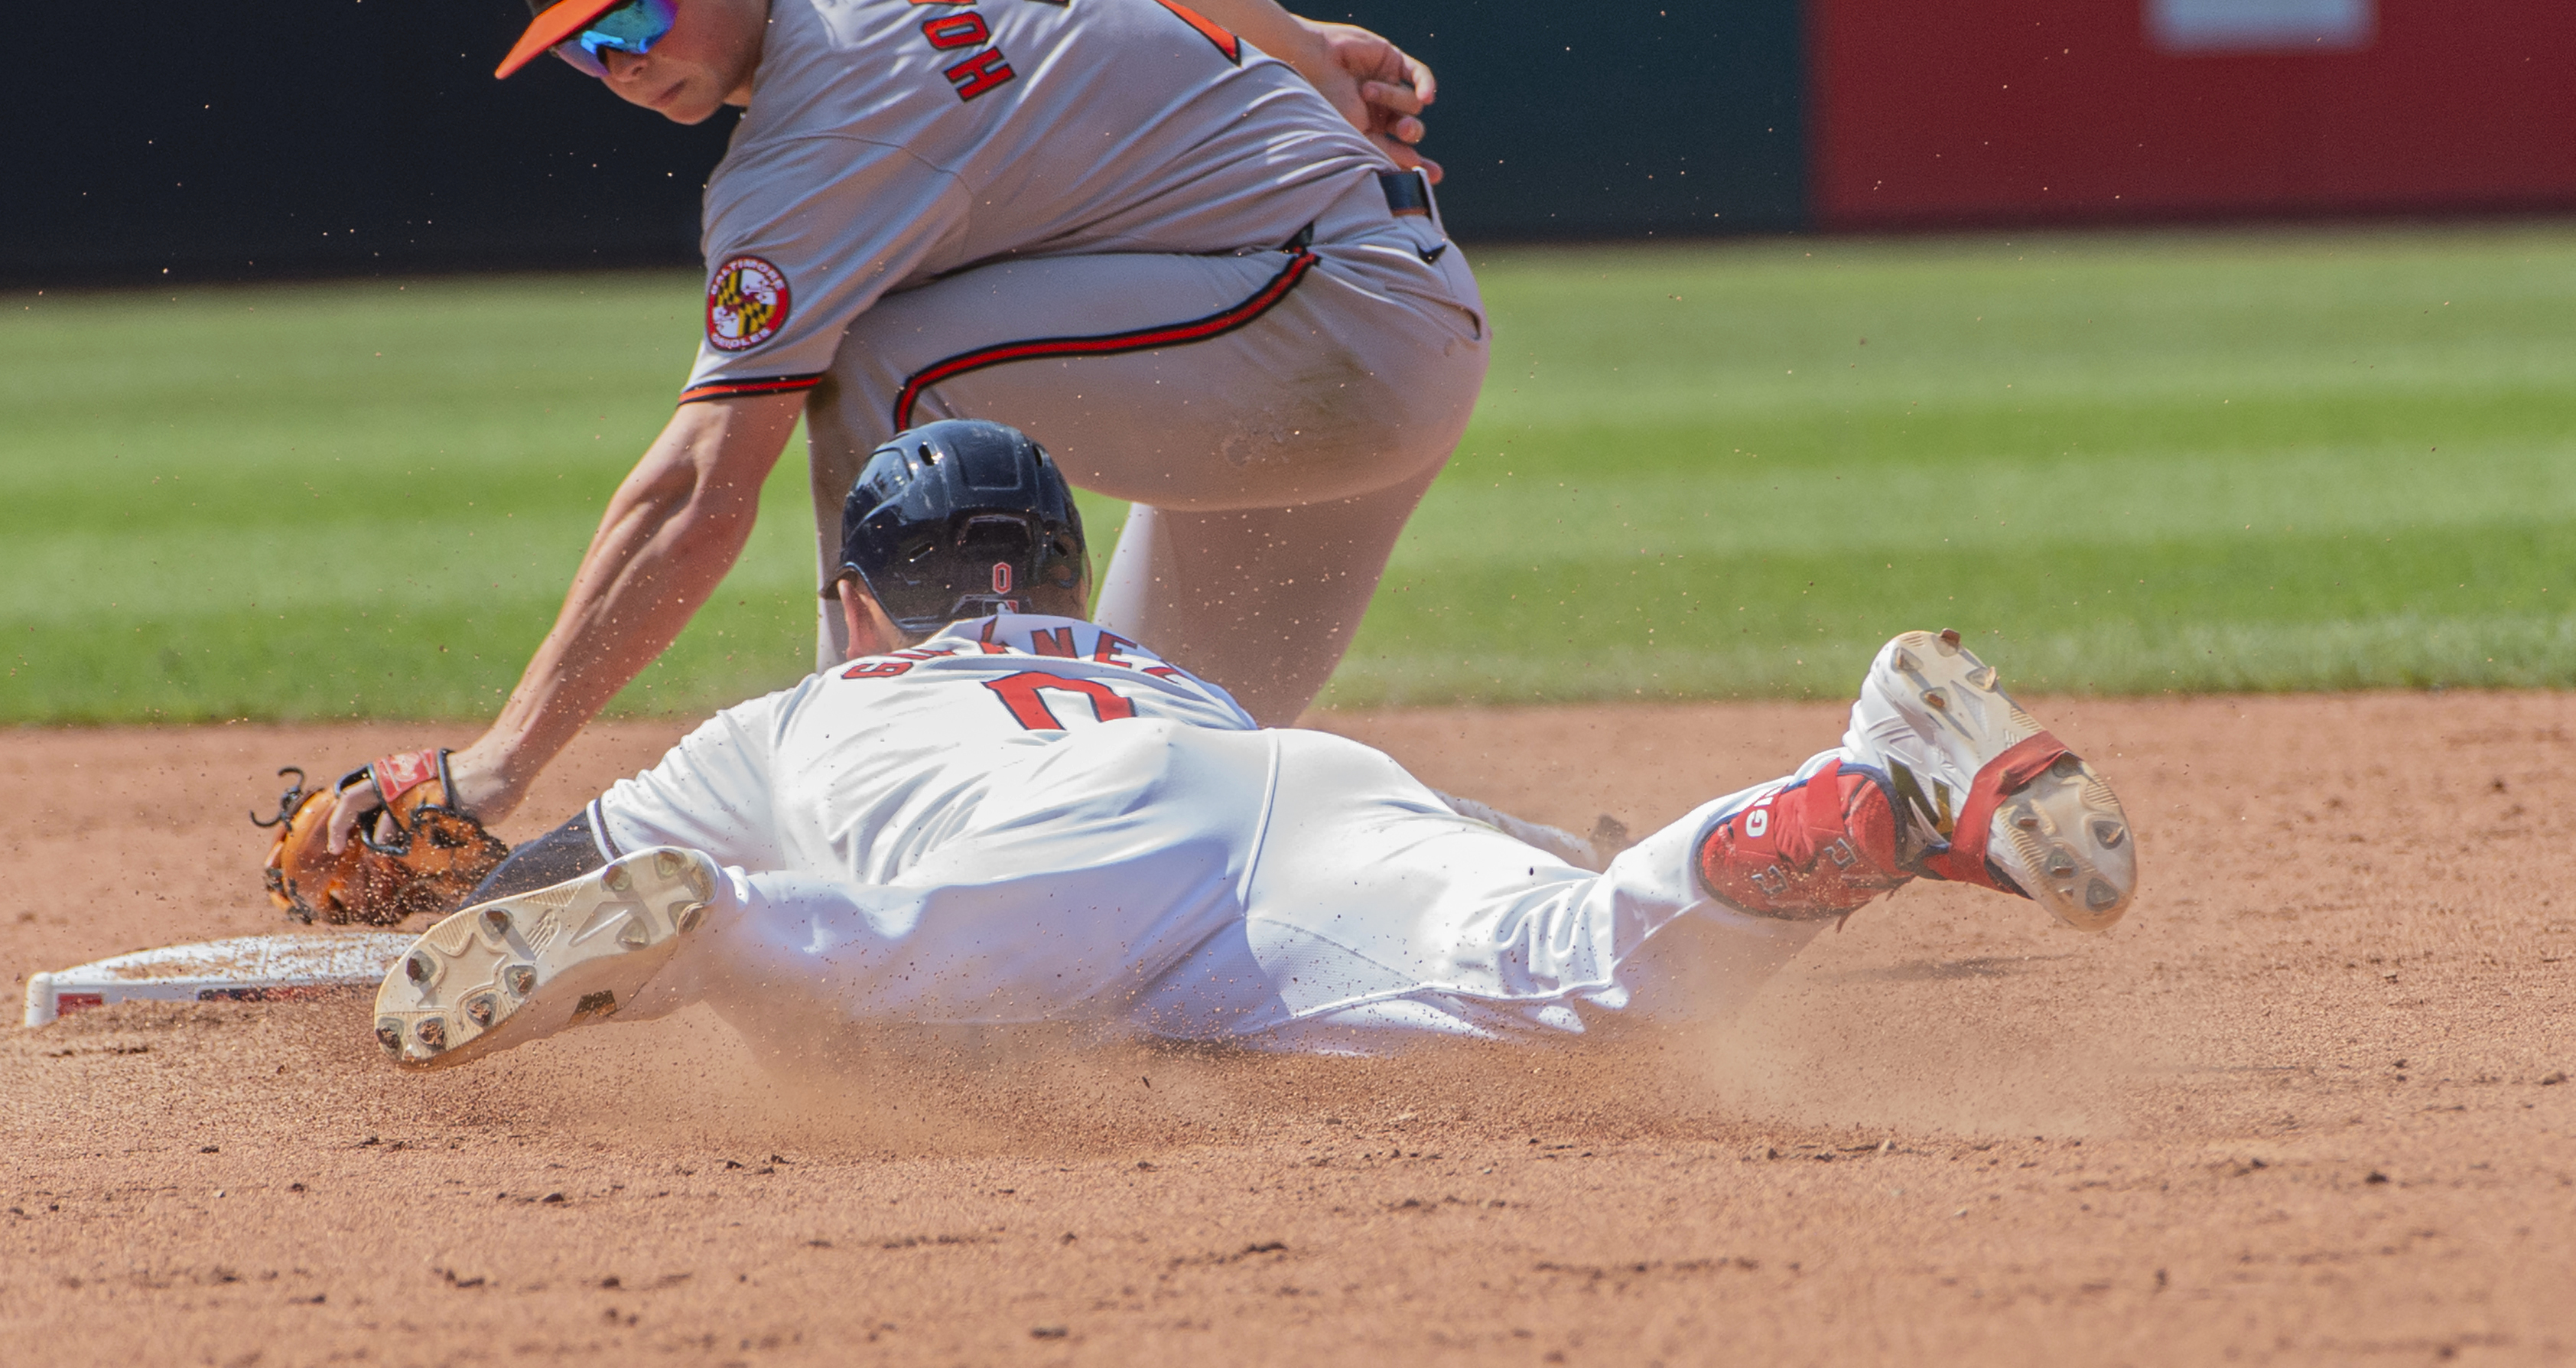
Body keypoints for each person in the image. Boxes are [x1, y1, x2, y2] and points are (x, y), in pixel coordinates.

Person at [327, 0, 1485, 857]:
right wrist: (1300, 52)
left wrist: (500, 762)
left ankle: (865, 770)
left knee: (884, 358)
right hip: (1341, 331)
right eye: (585, 46)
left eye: (640, 7)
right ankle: (1538, 875)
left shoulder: (811, 141)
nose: (623, 62)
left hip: (1328, 321)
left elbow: (695, 495)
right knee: (1155, 794)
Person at [371, 422, 2138, 1070]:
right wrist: (1549, 839)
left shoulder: (811, 707)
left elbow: (553, 871)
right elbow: (1425, 810)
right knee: (1594, 964)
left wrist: (439, 904)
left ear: (859, 603)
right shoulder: (1156, 670)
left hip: (1059, 868)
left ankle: (727, 930)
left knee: (855, 997)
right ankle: (1865, 793)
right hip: (1308, 779)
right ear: (1056, 571)